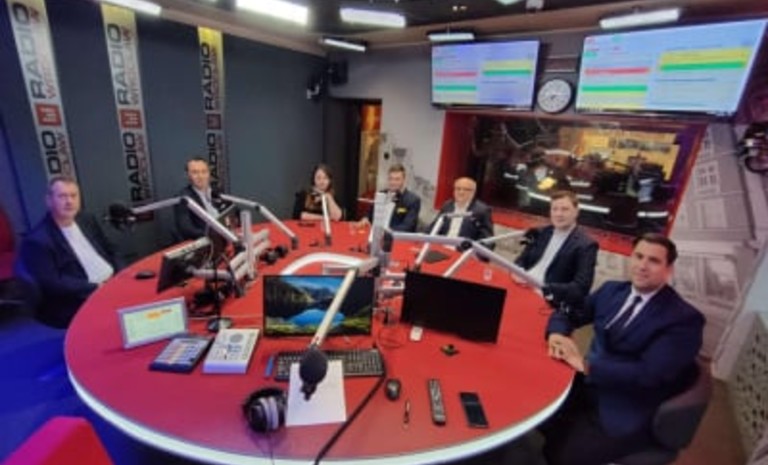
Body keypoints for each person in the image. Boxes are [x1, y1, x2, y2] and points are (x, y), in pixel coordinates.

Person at [541, 233, 704, 465]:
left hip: (624, 403)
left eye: (654, 261)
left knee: (563, 457)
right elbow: (569, 312)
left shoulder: (684, 319)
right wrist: (557, 332)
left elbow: (649, 374)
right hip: (586, 385)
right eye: (638, 256)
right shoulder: (611, 290)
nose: (642, 266)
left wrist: (588, 366)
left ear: (669, 269)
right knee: (538, 416)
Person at [16, 176, 122, 328]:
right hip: (81, 296)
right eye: (62, 196)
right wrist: (96, 287)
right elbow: (53, 283)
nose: (69, 201)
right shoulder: (37, 240)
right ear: (49, 201)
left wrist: (122, 273)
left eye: (73, 195)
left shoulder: (86, 219)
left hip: (113, 282)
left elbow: (111, 248)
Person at [515, 190, 598, 308]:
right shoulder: (540, 232)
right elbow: (521, 260)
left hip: (549, 301)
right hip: (521, 289)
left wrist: (545, 288)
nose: (558, 214)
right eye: (554, 209)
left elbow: (581, 288)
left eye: (565, 209)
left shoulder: (586, 245)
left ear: (576, 212)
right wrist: (518, 273)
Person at [174, 157, 231, 241]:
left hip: (227, 236)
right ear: (187, 175)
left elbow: (232, 211)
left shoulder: (216, 191)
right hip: (208, 240)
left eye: (204, 172)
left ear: (209, 173)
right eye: (195, 172)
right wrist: (213, 235)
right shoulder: (183, 198)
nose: (200, 176)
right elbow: (187, 229)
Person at [357, 163, 421, 232]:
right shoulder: (381, 194)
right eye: (391, 179)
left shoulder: (413, 200)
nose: (393, 182)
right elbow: (370, 214)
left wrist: (386, 232)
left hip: (396, 236)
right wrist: (365, 219)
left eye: (397, 179)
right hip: (376, 234)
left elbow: (407, 226)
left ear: (403, 180)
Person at [427, 177, 493, 241]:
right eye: (458, 189)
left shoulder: (481, 210)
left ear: (473, 192)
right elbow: (433, 227)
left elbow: (486, 238)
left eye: (466, 189)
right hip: (442, 245)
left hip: (462, 247)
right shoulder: (447, 205)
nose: (461, 192)